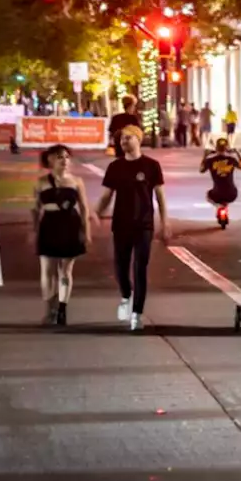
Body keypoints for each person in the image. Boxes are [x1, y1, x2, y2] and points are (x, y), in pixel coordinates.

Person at [94, 125, 171, 333]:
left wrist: (165, 223)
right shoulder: (115, 167)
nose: (123, 142)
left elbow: (160, 197)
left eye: (128, 138)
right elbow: (106, 196)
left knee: (140, 268)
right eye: (121, 139)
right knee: (120, 267)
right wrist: (94, 214)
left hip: (144, 224)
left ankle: (137, 313)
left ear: (138, 139)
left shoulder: (151, 166)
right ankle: (126, 295)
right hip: (121, 224)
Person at [33, 145, 95, 326]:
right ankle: (50, 307)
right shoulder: (41, 182)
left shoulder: (76, 181)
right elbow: (36, 209)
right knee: (47, 270)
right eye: (60, 157)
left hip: (70, 226)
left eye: (67, 157)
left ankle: (62, 308)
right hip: (49, 226)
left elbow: (84, 209)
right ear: (50, 159)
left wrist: (87, 232)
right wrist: (33, 230)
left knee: (66, 270)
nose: (64, 160)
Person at [200, 138, 241, 206]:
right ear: (227, 149)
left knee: (208, 194)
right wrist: (237, 153)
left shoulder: (210, 160)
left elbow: (201, 170)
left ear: (216, 148)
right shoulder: (232, 160)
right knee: (235, 188)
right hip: (232, 195)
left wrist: (205, 156)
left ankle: (218, 206)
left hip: (216, 195)